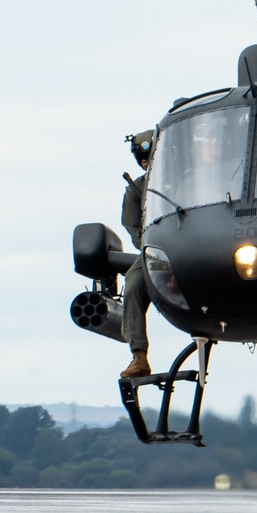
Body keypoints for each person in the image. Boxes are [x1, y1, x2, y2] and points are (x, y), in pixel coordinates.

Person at [120, 130, 154, 379]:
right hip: (157, 250)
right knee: (132, 284)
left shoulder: (189, 181)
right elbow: (133, 229)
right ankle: (139, 356)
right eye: (141, 159)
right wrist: (151, 244)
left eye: (149, 157)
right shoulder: (135, 191)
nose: (145, 163)